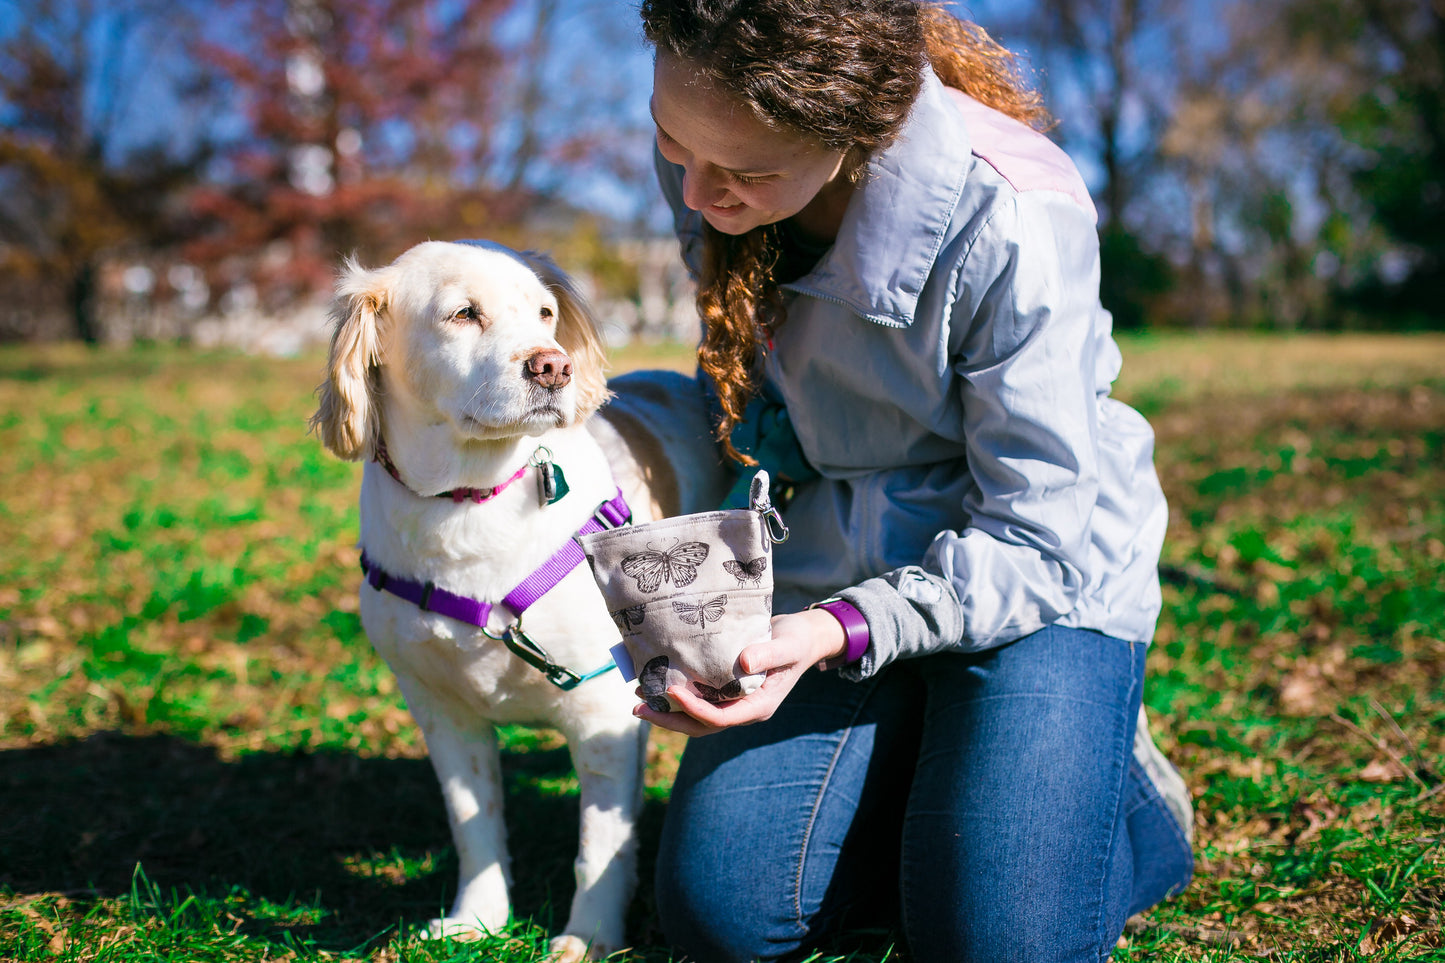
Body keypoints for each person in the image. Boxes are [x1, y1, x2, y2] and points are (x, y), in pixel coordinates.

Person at [629, 0, 1195, 959]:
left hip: (1034, 581)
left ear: (858, 131)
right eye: (671, 142)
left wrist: (834, 632)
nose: (695, 195)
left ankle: (1126, 796)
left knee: (995, 942)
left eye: (745, 172)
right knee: (719, 913)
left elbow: (1033, 537)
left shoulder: (1015, 210)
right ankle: (945, 756)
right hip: (834, 558)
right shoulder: (713, 156)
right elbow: (748, 394)